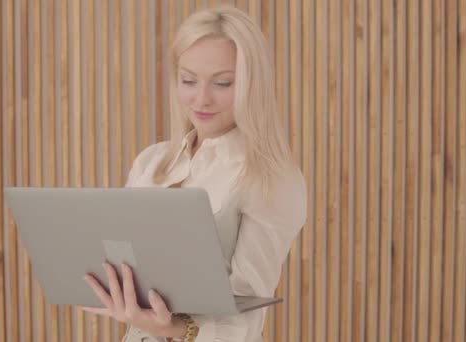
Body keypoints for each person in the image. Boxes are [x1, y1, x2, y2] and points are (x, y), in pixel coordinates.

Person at [81, 6, 307, 342]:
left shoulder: (271, 178)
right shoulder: (152, 163)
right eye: (189, 80)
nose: (201, 99)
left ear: (251, 84)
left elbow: (246, 316)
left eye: (222, 83)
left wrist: (172, 328)